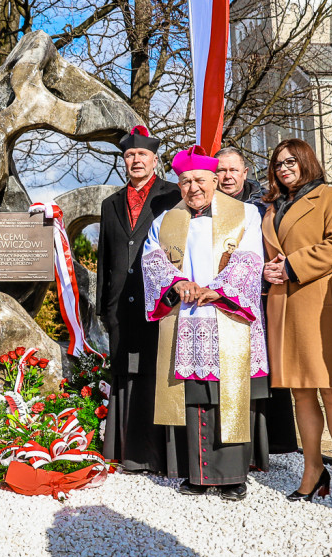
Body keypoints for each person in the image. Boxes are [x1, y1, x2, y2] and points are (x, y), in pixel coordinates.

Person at [140, 146, 269, 500]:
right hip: (188, 319)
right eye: (185, 181)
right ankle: (197, 475)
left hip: (228, 315)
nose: (193, 187)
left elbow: (250, 257)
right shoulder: (164, 220)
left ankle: (233, 477)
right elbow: (151, 260)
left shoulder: (244, 214)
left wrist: (218, 290)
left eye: (200, 180)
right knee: (195, 397)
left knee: (232, 395)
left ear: (215, 180)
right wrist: (176, 282)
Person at [261, 138, 332, 507]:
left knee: (331, 390)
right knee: (300, 391)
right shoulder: (271, 207)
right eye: (278, 163)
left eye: (290, 161)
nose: (284, 168)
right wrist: (267, 269)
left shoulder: (331, 197)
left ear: (305, 161)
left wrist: (292, 266)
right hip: (283, 305)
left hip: (322, 305)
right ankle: (313, 467)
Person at [96, 126, 185, 476]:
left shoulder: (173, 195)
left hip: (161, 299)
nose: (136, 160)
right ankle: (126, 452)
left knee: (156, 372)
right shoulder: (110, 203)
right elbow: (105, 256)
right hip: (121, 304)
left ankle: (160, 456)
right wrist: (104, 305)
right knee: (125, 375)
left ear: (154, 159)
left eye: (142, 155)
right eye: (129, 155)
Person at [215, 147, 298, 456]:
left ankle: (273, 442)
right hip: (221, 299)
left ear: (245, 173)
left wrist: (266, 266)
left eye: (232, 170)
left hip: (262, 296)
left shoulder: (266, 204)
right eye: (220, 171)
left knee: (268, 373)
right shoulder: (206, 205)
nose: (226, 176)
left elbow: (279, 243)